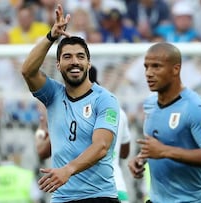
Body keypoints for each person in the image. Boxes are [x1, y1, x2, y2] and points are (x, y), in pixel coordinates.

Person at [21, 4, 120, 203]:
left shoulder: (105, 99)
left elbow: (101, 147)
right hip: (62, 198)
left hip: (99, 197)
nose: (74, 61)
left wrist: (68, 170)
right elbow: (28, 71)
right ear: (58, 65)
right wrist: (51, 36)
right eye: (67, 57)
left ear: (88, 63)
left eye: (80, 57)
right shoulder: (53, 94)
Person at [127, 42, 201, 203]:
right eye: (146, 67)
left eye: (156, 67)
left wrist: (164, 151)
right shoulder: (150, 104)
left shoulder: (195, 107)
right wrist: (140, 158)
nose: (149, 73)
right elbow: (158, 145)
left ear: (175, 69)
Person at [34, 66, 132, 203]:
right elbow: (125, 152)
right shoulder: (117, 111)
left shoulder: (68, 113)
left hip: (79, 190)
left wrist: (40, 131)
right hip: (116, 186)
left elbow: (43, 151)